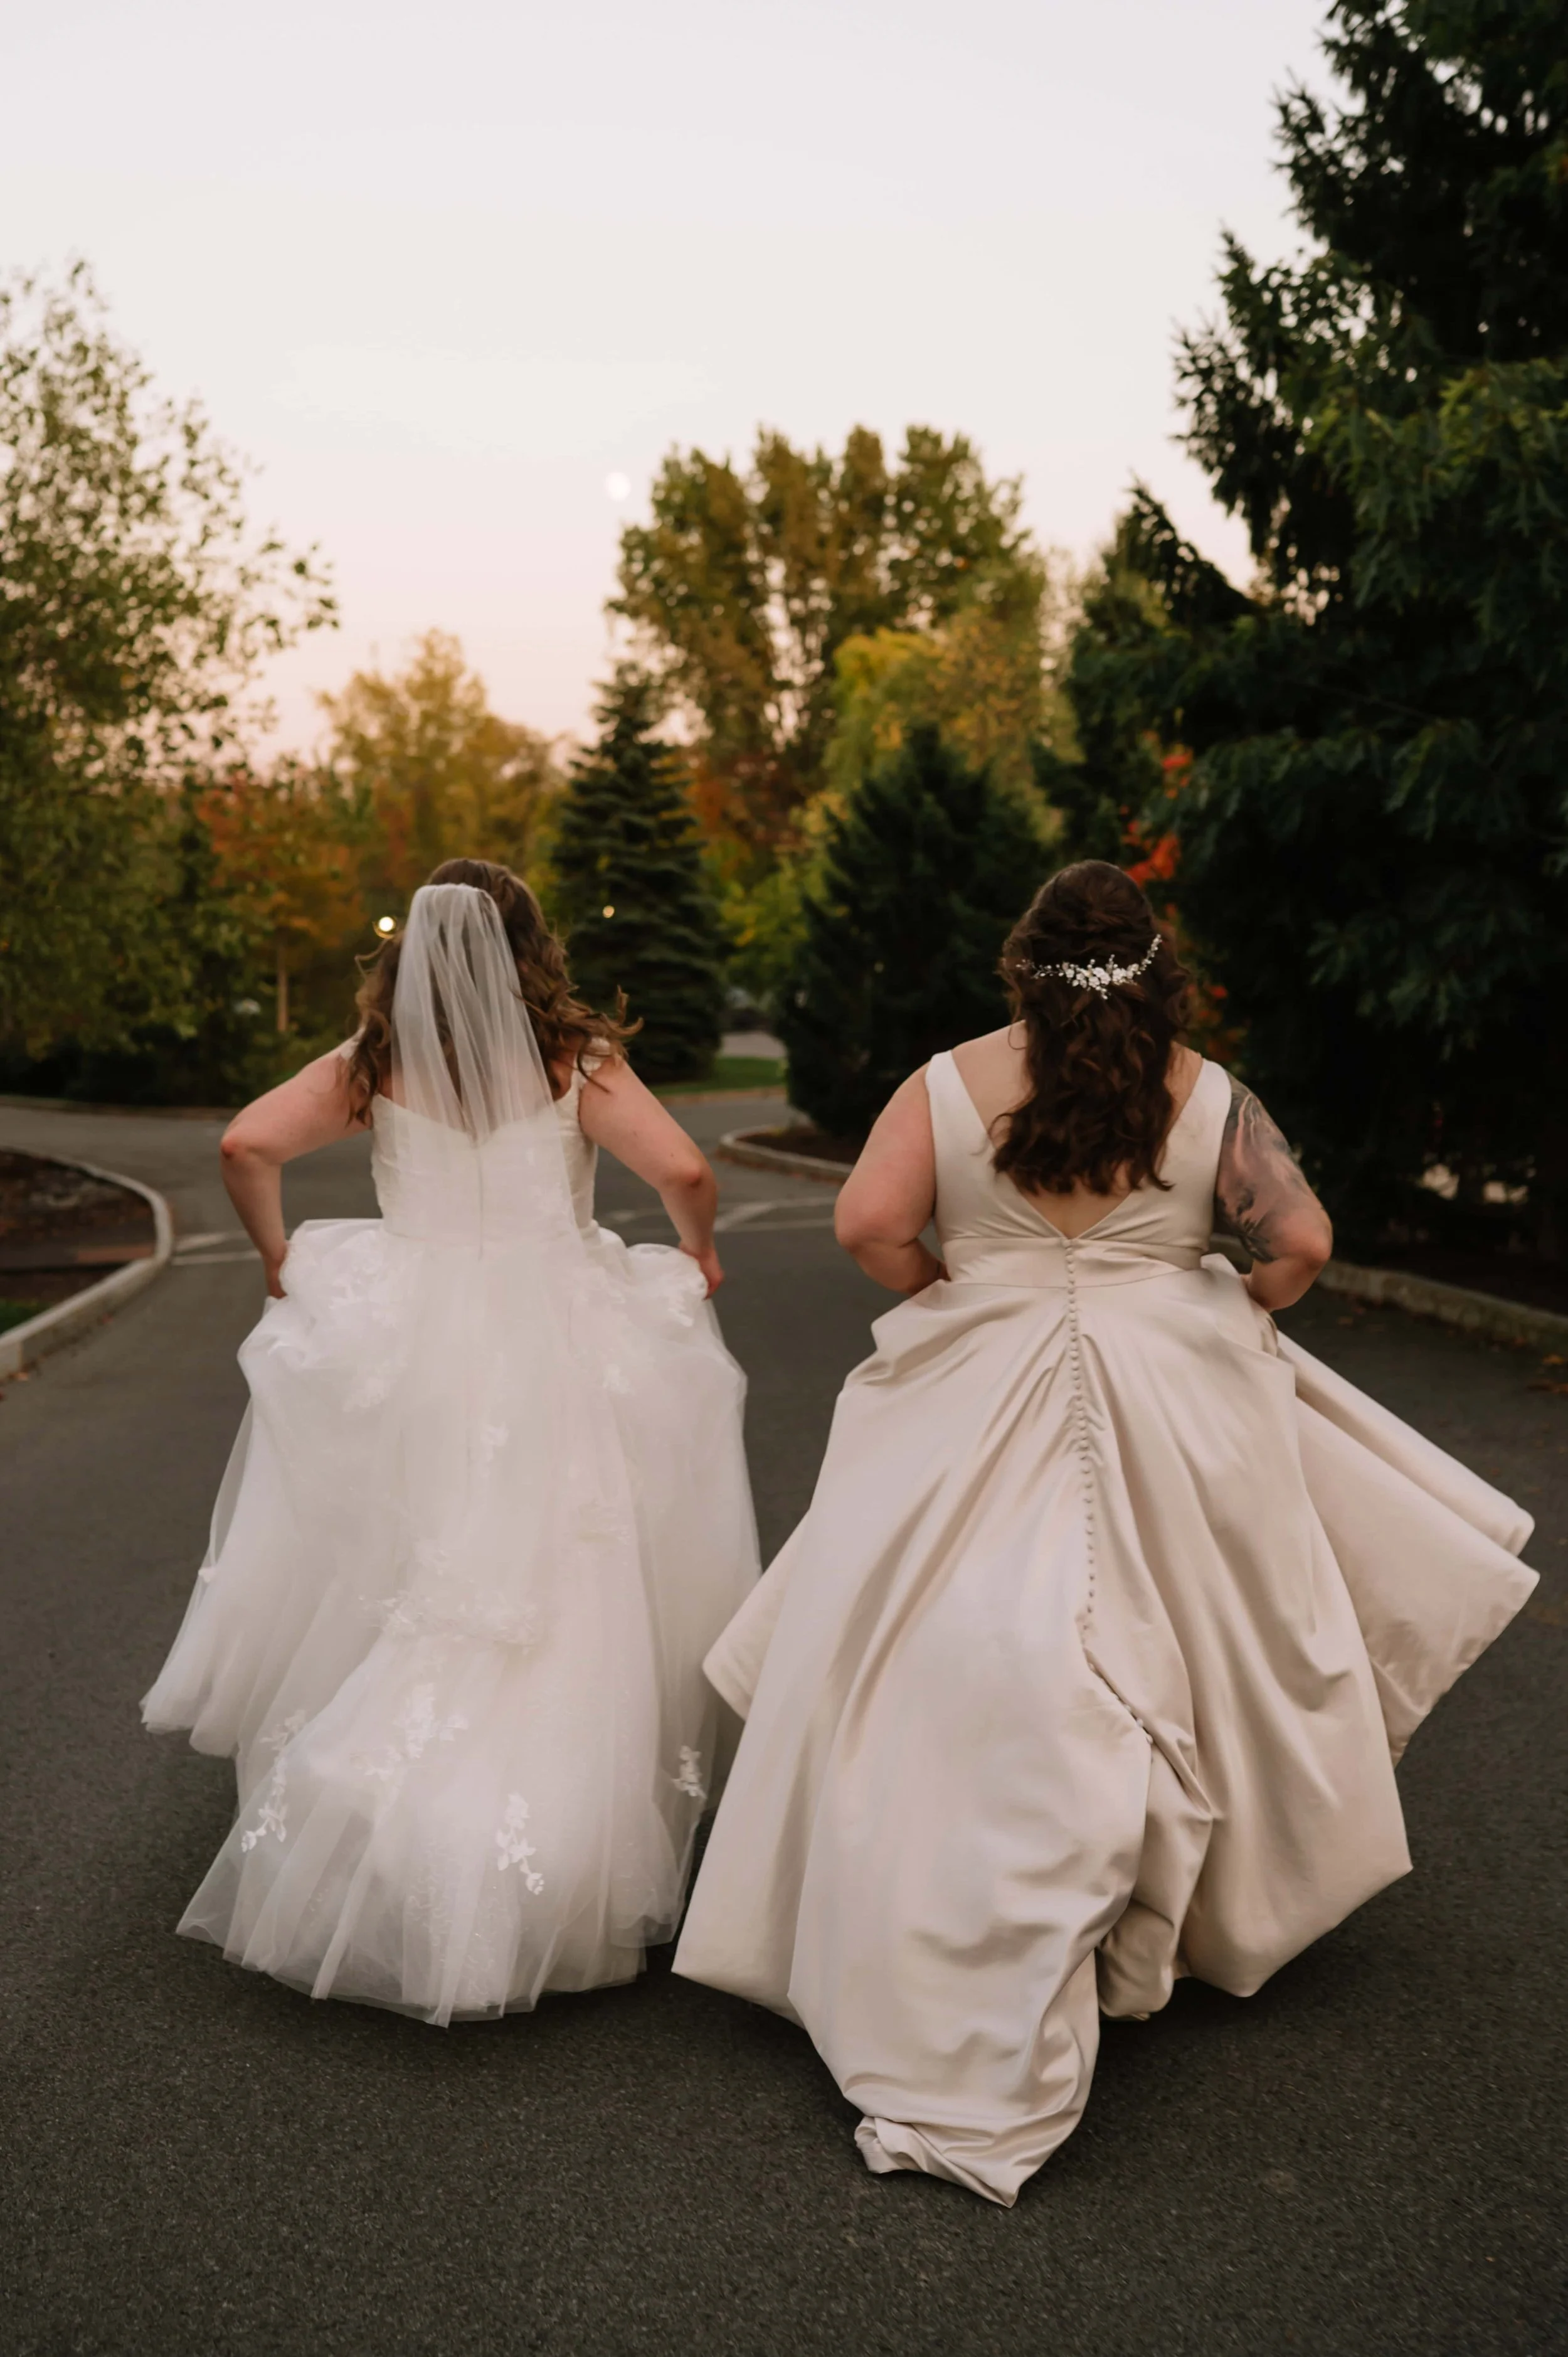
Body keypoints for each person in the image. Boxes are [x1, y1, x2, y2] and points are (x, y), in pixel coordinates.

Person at [674, 859, 1535, 2206]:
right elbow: (1299, 1241)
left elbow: (865, 1224)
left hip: (985, 1357)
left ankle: (950, 1890)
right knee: (1196, 1635)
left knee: (936, 1632)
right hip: (1170, 1372)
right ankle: (1174, 1906)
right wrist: (1224, 1305)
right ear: (1152, 969)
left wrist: (957, 1276)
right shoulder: (1203, 1093)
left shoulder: (948, 1084)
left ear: (1023, 965)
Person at [144, 861, 758, 2023]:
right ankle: (556, 1841)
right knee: (561, 1574)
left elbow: (243, 1146)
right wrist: (701, 1253)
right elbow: (682, 1167)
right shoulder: (576, 1060)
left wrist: (278, 1257)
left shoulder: (374, 1063)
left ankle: (386, 1809)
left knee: (418, 1566)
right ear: (534, 944)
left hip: (415, 1335)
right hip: (556, 1328)